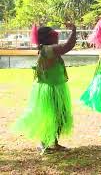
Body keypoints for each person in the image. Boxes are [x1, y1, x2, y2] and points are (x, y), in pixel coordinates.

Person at [13, 23, 77, 154]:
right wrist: (74, 30)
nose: (57, 38)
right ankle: (43, 143)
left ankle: (54, 143)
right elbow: (67, 46)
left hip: (57, 87)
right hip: (49, 89)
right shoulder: (48, 50)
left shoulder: (50, 49)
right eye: (54, 35)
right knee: (49, 116)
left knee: (61, 115)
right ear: (47, 39)